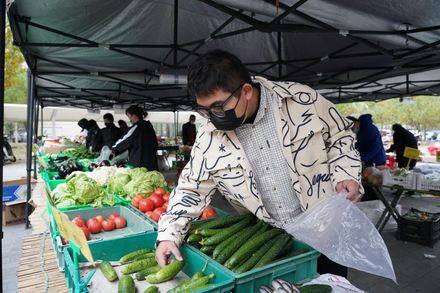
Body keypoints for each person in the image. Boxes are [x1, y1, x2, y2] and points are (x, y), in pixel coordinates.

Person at [155, 50, 362, 277]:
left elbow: (340, 136)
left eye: (218, 107)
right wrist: (168, 235)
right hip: (270, 247)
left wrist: (346, 172)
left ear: (245, 91)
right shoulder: (208, 138)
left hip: (327, 231)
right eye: (204, 110)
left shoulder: (302, 100)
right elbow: (190, 189)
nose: (213, 117)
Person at [112, 105, 158, 170]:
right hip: (152, 164)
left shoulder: (136, 128)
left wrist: (113, 149)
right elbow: (155, 143)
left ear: (134, 116)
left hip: (140, 164)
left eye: (129, 116)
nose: (129, 119)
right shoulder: (148, 126)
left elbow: (123, 140)